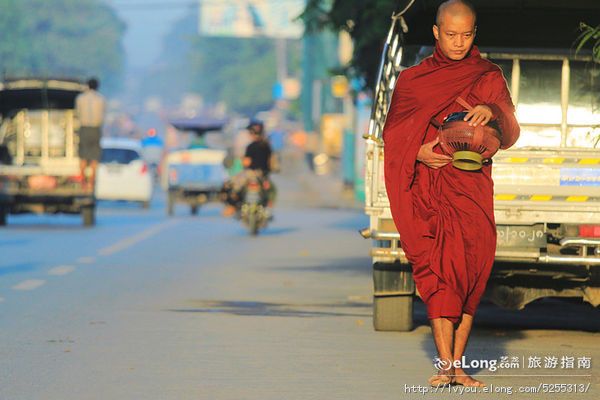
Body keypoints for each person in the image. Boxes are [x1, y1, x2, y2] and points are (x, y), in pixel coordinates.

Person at [382, 0, 520, 387]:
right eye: (451, 34)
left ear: (475, 33)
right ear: (436, 32)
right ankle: (446, 366)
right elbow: (393, 136)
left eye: (467, 35)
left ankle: (459, 364)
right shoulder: (412, 80)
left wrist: (490, 110)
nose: (459, 43)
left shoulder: (488, 75)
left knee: (471, 271)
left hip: (473, 188)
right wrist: (419, 152)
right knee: (440, 270)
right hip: (430, 189)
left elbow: (510, 131)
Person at [222, 120, 275, 217]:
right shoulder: (267, 146)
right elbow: (271, 162)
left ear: (251, 133)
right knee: (271, 191)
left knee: (228, 186)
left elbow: (246, 162)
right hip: (264, 175)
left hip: (250, 174)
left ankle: (232, 207)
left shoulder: (251, 147)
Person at [75, 77, 106, 191]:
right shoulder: (101, 99)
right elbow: (102, 114)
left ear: (88, 85)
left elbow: (77, 113)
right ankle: (92, 183)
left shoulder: (80, 98)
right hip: (96, 129)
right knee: (94, 156)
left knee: (83, 156)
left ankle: (83, 182)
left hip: (84, 128)